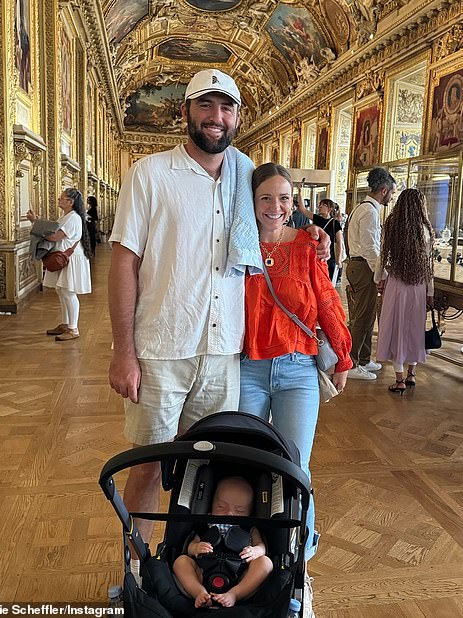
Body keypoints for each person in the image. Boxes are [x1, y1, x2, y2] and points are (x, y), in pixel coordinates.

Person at [107, 69, 329, 584]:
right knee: (148, 465)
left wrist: (310, 235)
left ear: (236, 117)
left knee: (205, 466)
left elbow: (272, 219)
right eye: (206, 106)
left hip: (224, 350)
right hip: (162, 345)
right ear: (185, 113)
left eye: (226, 108)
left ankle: (189, 565)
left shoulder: (243, 174)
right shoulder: (150, 174)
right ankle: (139, 573)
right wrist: (123, 350)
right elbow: (124, 262)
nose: (216, 117)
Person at [239, 163, 352, 564]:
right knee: (244, 464)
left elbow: (325, 300)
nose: (275, 206)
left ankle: (297, 561)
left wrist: (342, 354)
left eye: (283, 198)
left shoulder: (307, 245)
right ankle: (247, 553)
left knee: (295, 466)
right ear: (251, 201)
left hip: (297, 370)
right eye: (265, 197)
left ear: (293, 202)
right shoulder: (237, 242)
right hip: (245, 369)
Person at [173, 476, 273, 608]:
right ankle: (199, 592)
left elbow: (261, 546)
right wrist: (196, 547)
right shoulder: (205, 524)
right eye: (221, 507)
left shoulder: (249, 527)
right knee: (181, 561)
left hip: (240, 576)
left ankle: (234, 594)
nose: (229, 513)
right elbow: (189, 547)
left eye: (239, 511)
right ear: (212, 505)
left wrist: (255, 551)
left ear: (249, 513)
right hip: (202, 573)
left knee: (265, 563)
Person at [374, 188, 434, 393]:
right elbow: (428, 264)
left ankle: (398, 378)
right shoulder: (425, 230)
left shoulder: (392, 226)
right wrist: (430, 291)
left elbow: (383, 256)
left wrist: (379, 278)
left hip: (397, 283)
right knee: (414, 328)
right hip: (418, 285)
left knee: (396, 328)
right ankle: (411, 374)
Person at [344, 167, 396, 381]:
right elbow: (370, 248)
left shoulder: (365, 208)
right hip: (364, 266)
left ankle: (364, 359)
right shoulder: (369, 211)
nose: (392, 197)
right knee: (362, 318)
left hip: (362, 265)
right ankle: (351, 363)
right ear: (383, 190)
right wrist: (381, 273)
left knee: (368, 314)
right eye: (391, 193)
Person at [27, 188, 93, 341]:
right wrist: (36, 222)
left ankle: (73, 328)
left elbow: (55, 236)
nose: (58, 199)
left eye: (62, 198)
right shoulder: (67, 216)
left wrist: (35, 223)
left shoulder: (73, 218)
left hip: (69, 258)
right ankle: (66, 323)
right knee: (62, 291)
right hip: (63, 257)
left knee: (69, 292)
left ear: (70, 202)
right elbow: (52, 229)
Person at [297, 196, 343, 281]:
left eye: (323, 205)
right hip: (314, 255)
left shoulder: (335, 223)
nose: (320, 207)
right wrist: (300, 191)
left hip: (329, 257)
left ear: (329, 209)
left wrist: (338, 259)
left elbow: (339, 241)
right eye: (320, 205)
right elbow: (303, 209)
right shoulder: (317, 218)